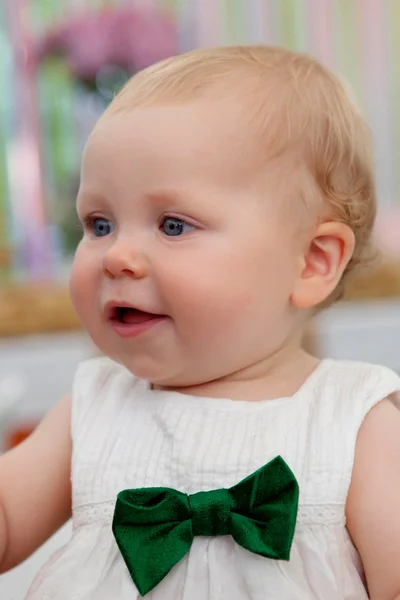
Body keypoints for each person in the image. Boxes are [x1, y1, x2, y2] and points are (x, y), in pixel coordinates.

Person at [0, 45, 399, 600]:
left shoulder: (354, 422)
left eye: (172, 225)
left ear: (310, 262)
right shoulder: (94, 408)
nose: (117, 256)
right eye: (99, 223)